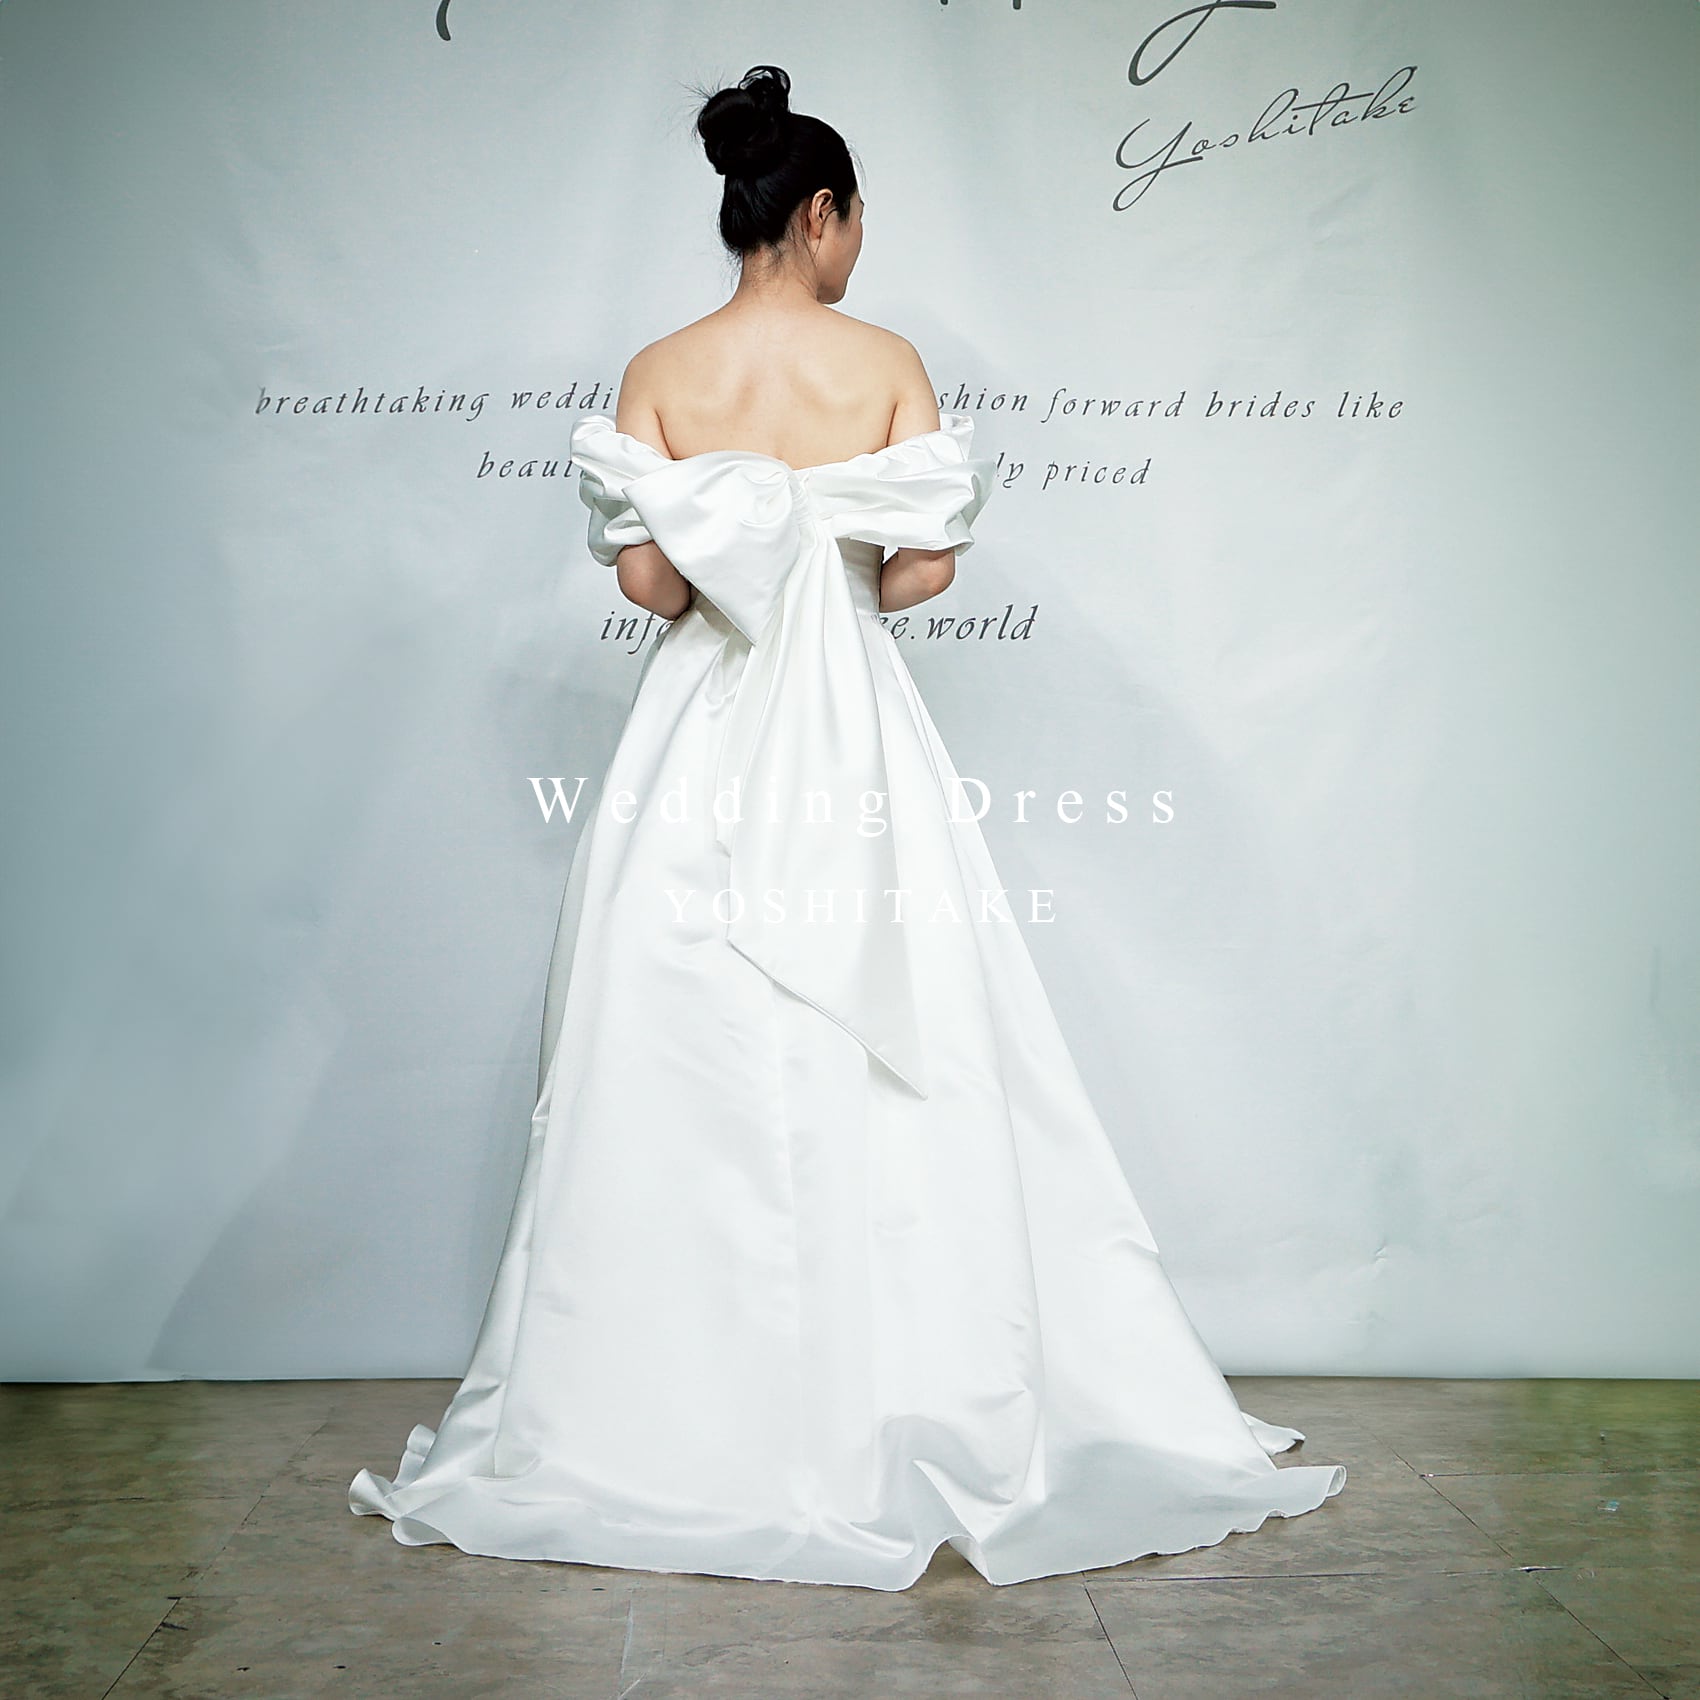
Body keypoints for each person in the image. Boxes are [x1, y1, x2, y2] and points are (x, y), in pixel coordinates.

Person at [349, 63, 1345, 1591]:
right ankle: (925, 1389)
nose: (860, 242)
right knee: (912, 1025)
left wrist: (739, 546)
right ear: (819, 212)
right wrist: (835, 556)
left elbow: (649, 587)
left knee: (671, 1026)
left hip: (700, 733)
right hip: (856, 739)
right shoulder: (885, 362)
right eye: (857, 218)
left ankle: (661, 1415)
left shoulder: (659, 368)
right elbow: (925, 575)